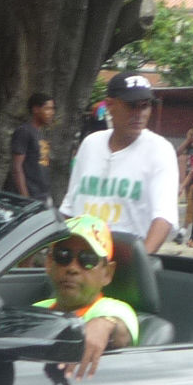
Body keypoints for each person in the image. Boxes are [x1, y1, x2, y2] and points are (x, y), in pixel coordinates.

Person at [61, 72, 179, 253]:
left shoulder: (159, 150)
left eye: (145, 106)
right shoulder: (90, 144)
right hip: (80, 259)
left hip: (125, 260)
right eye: (132, 106)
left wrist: (141, 264)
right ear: (110, 105)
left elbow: (164, 217)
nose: (139, 114)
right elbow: (69, 207)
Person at [34, 213, 134, 380]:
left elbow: (121, 331)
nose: (72, 268)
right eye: (63, 255)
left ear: (107, 273)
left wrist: (104, 326)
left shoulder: (114, 309)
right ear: (49, 263)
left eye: (87, 259)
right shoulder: (38, 310)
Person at [9, 93, 54, 204]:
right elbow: (17, 168)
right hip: (30, 197)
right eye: (47, 108)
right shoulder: (24, 131)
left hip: (42, 195)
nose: (51, 113)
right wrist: (25, 199)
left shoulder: (40, 133)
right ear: (36, 109)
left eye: (52, 109)